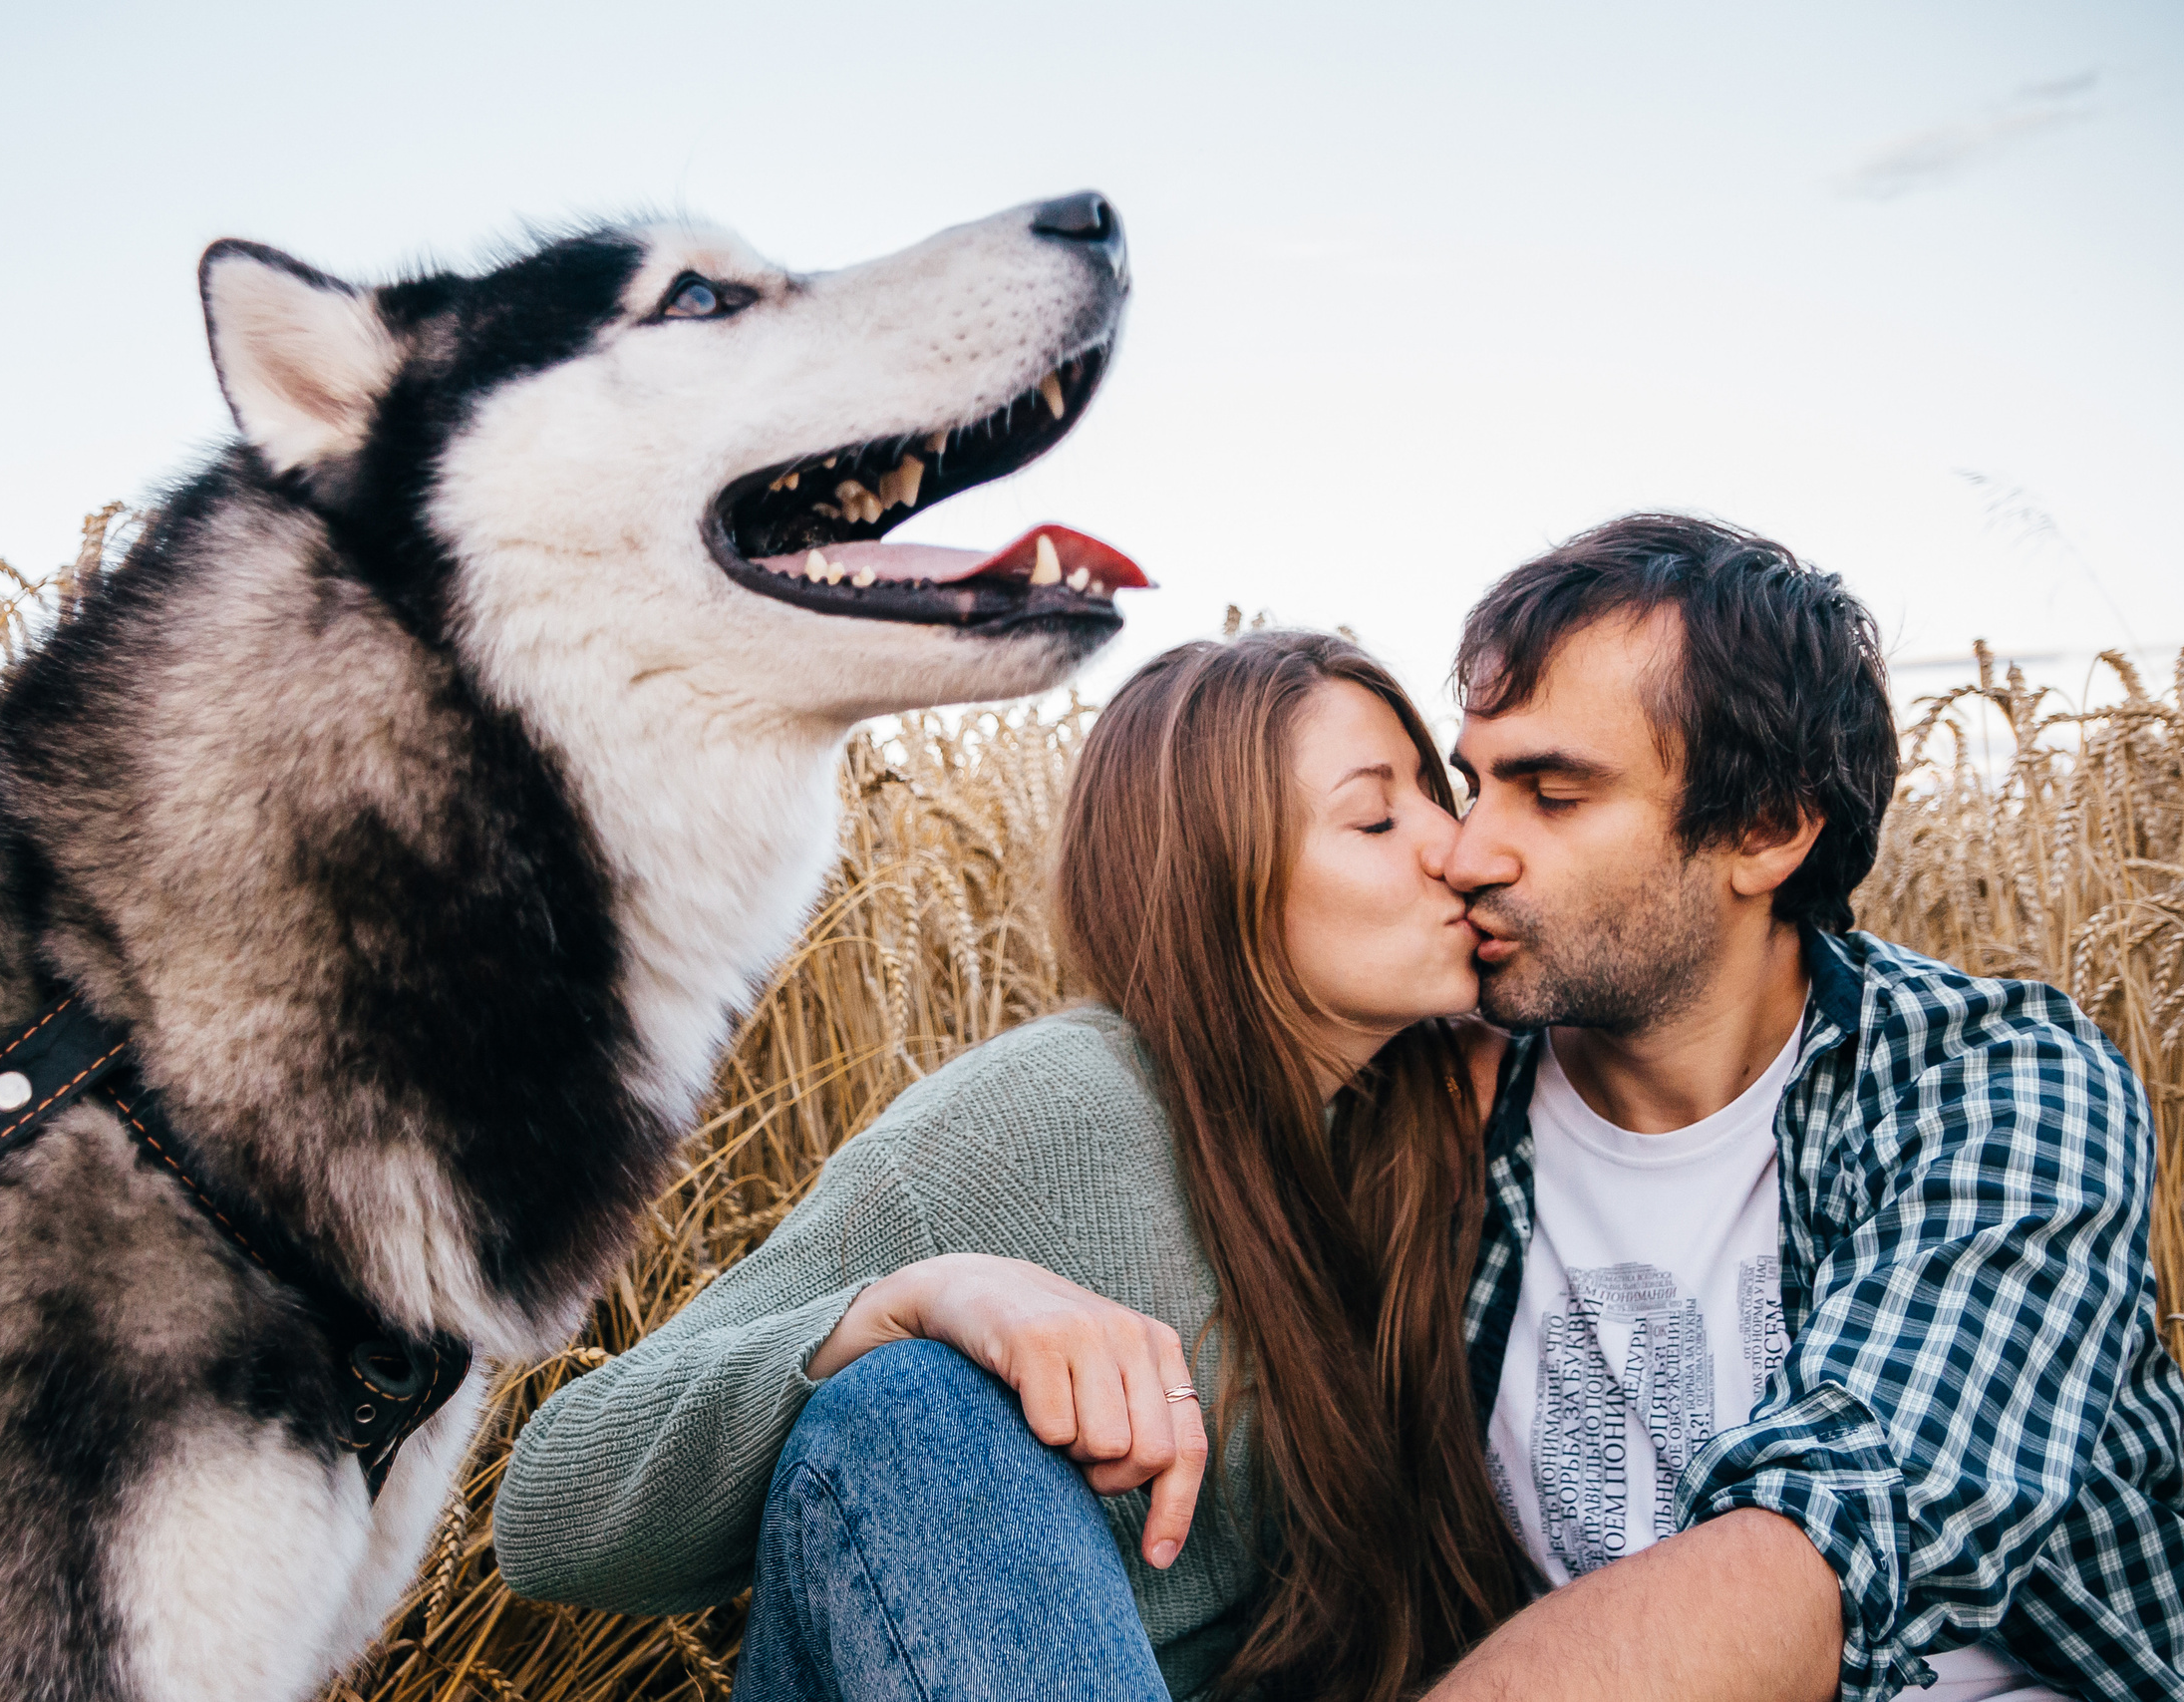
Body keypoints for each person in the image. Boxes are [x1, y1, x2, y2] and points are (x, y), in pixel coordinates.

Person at [494, 631, 1527, 1702]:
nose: (1453, 848)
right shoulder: (1050, 1117)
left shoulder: (1427, 1133)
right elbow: (550, 1509)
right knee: (911, 1408)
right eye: (1375, 818)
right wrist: (909, 1301)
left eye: (1436, 794)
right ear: (1215, 878)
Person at [1422, 512, 2184, 1702]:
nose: (1467, 854)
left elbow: (1827, 1534)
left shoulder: (1990, 1082)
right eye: (1472, 785)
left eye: (1553, 795)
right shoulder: (1438, 1107)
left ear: (1767, 829)